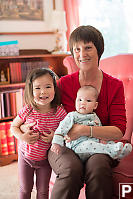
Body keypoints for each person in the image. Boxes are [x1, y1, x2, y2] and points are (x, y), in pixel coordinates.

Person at [20, 25, 127, 199]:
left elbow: (118, 129)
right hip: (63, 145)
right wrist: (25, 128)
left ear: (99, 50)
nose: (82, 54)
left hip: (99, 145)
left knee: (98, 166)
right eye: (76, 49)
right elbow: (38, 109)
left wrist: (85, 130)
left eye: (88, 48)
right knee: (70, 168)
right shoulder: (63, 84)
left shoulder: (114, 85)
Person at [10, 68, 67, 199]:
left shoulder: (59, 112)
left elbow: (67, 133)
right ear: (31, 90)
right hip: (25, 157)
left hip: (45, 161)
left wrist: (55, 137)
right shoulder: (28, 110)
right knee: (25, 189)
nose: (43, 92)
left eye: (48, 86)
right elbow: (14, 126)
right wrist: (22, 136)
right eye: (37, 88)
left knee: (42, 191)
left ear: (54, 88)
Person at [51, 85, 132, 162]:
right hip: (78, 146)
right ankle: (112, 151)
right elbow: (61, 129)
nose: (83, 103)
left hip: (95, 143)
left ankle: (120, 151)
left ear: (95, 105)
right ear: (75, 101)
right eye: (80, 100)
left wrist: (102, 140)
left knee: (108, 143)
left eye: (88, 101)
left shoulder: (95, 117)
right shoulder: (72, 115)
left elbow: (99, 130)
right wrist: (56, 143)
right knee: (89, 145)